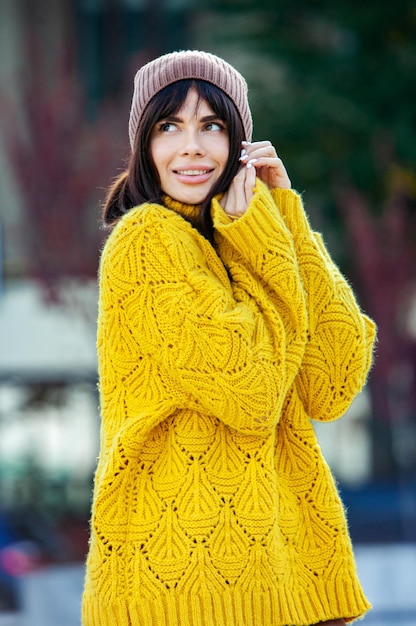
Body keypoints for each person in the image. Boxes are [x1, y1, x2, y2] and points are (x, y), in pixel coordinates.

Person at [82, 50, 376, 626]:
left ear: (239, 143)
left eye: (211, 126)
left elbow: (333, 384)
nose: (191, 146)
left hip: (290, 577)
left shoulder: (244, 239)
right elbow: (252, 394)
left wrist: (285, 217)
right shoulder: (146, 241)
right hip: (186, 592)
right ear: (144, 146)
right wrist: (261, 242)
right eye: (169, 127)